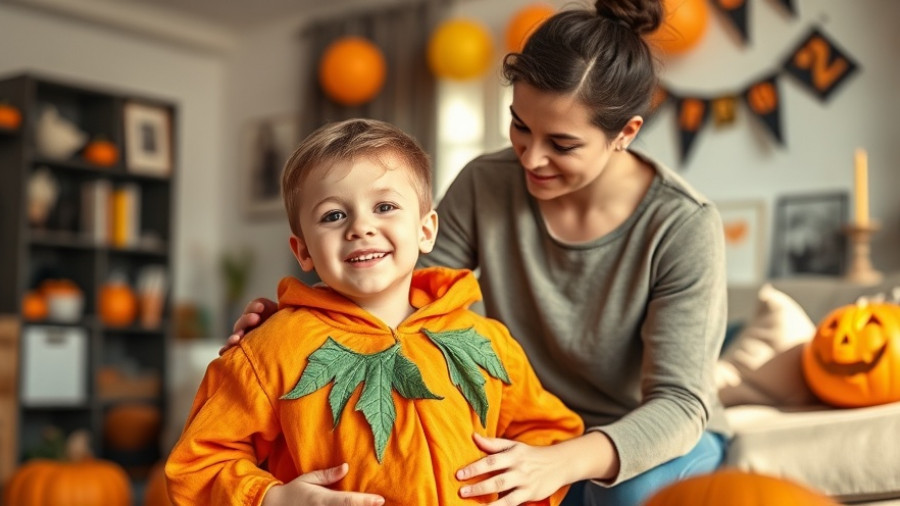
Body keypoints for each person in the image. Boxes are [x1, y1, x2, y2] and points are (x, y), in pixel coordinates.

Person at [227, 0, 731, 504]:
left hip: (636, 433)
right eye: (520, 126)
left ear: (625, 133)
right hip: (524, 419)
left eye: (562, 143)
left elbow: (680, 405)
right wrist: (301, 325)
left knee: (615, 496)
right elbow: (399, 291)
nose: (532, 158)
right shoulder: (486, 182)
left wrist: (558, 462)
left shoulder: (683, 224)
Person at [167, 118, 584, 506]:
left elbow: (549, 433)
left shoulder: (488, 341)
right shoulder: (272, 349)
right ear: (304, 251)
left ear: (426, 230)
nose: (359, 227)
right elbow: (197, 463)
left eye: (384, 207)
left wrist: (522, 487)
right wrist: (273, 498)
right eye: (333, 215)